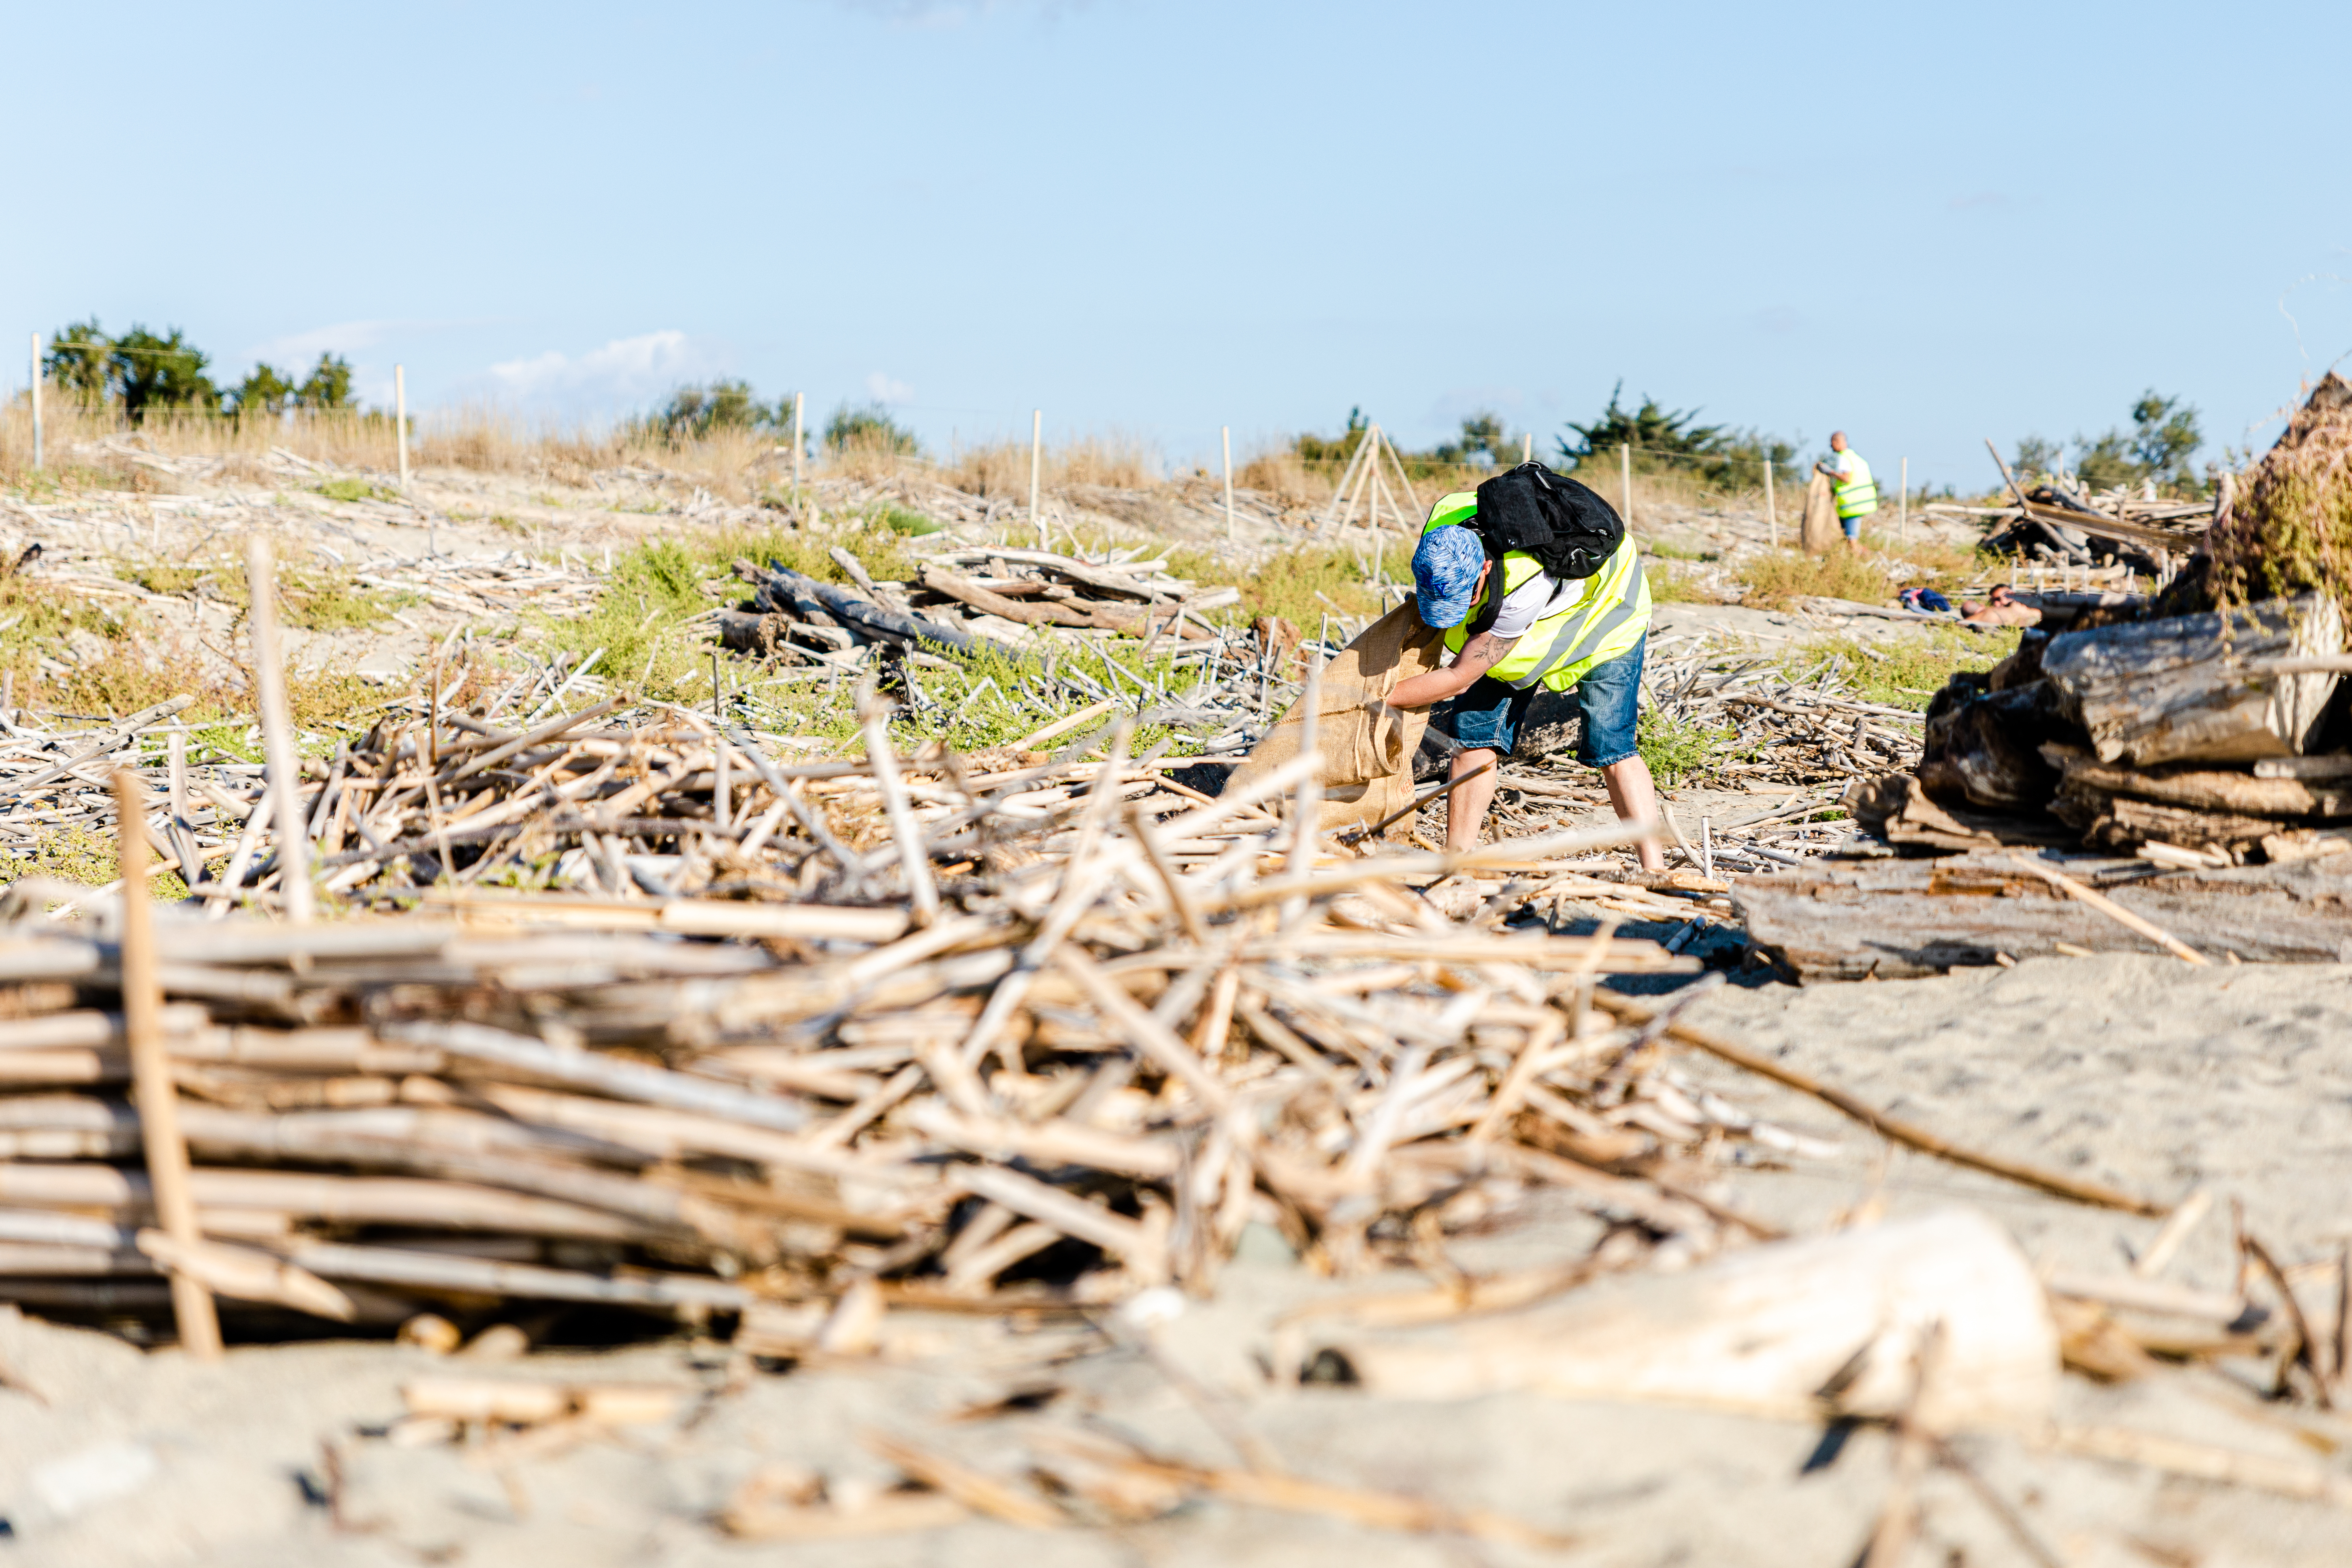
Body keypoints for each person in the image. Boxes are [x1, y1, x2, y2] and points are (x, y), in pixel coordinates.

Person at [1385, 486, 1664, 869]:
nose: (1458, 610)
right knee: (1473, 733)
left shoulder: (1519, 585)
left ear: (1484, 568)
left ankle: (1654, 867)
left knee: (1611, 744)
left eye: (1464, 598)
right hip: (1538, 613)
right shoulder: (1445, 529)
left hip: (1609, 613)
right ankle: (1455, 862)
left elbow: (1460, 678)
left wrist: (1375, 697)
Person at [1815, 431, 1878, 549]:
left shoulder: (1843, 458)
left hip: (1852, 506)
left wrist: (1829, 472)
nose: (1831, 446)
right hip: (1861, 503)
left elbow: (1846, 478)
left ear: (1837, 442)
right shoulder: (1856, 458)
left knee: (1851, 540)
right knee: (1846, 538)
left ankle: (1865, 559)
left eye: (1832, 443)